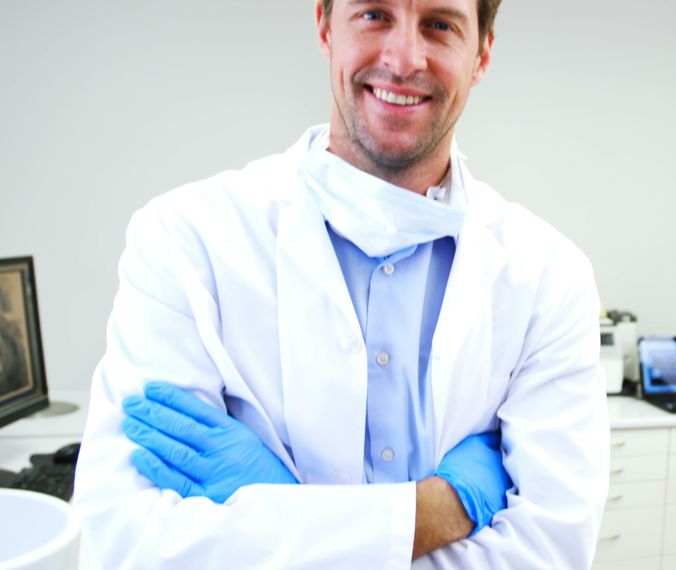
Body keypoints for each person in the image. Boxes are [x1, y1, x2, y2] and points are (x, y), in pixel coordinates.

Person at [72, 1, 610, 568]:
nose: (404, 59)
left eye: (440, 24)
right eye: (375, 14)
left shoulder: (550, 276)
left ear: (481, 54)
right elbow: (128, 543)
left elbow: (550, 552)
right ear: (326, 26)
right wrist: (438, 510)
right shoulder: (185, 242)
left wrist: (280, 519)